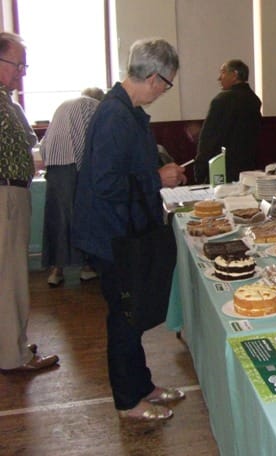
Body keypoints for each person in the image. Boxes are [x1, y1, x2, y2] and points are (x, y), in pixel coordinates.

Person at [72, 38, 187, 421]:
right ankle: (128, 402)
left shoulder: (129, 111)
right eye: (167, 84)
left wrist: (155, 175)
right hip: (111, 236)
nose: (164, 91)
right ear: (154, 78)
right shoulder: (114, 115)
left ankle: (142, 385)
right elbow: (106, 184)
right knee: (124, 318)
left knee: (132, 314)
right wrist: (157, 178)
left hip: (124, 232)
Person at [0, 32, 60, 373]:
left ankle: (12, 344)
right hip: (5, 195)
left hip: (13, 193)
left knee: (9, 274)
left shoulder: (6, 101)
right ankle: (14, 356)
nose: (22, 72)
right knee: (9, 277)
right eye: (17, 64)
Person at [39, 87, 104, 287]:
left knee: (57, 218)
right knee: (81, 217)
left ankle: (56, 271)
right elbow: (91, 140)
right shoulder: (94, 106)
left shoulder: (63, 106)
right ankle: (86, 267)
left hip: (53, 166)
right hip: (74, 166)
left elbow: (44, 143)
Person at [194, 59, 262, 184]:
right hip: (248, 167)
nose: (219, 78)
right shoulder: (254, 100)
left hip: (222, 167)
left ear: (235, 75)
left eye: (223, 72)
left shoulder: (222, 100)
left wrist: (200, 167)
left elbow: (209, 138)